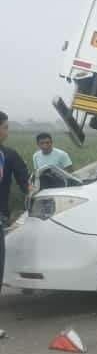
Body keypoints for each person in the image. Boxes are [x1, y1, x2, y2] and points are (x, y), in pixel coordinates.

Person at [1, 111, 31, 308]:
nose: (7, 131)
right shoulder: (8, 154)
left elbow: (25, 182)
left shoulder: (9, 155)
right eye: (5, 127)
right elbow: (26, 184)